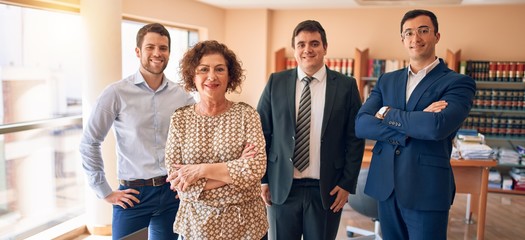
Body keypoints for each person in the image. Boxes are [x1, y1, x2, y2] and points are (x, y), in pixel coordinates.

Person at [354, 9, 476, 239]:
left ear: (436, 36)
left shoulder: (458, 83)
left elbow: (435, 127)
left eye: (423, 31)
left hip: (426, 188)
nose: (415, 38)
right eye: (408, 33)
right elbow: (362, 125)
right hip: (386, 186)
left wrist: (386, 112)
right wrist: (415, 121)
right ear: (402, 39)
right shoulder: (387, 80)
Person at [79, 23, 195, 240]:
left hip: (172, 193)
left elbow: (197, 138)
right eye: (150, 47)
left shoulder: (181, 96)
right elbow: (89, 142)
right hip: (133, 196)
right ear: (138, 51)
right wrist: (104, 190)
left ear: (169, 52)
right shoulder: (116, 93)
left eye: (163, 48)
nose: (157, 53)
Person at [257, 20, 365, 240]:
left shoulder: (346, 86)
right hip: (282, 188)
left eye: (314, 43)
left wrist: (346, 184)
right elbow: (261, 134)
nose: (308, 50)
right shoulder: (275, 82)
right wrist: (264, 179)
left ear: (325, 47)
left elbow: (354, 139)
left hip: (327, 189)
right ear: (295, 50)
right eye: (301, 44)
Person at [165, 40, 268, 239]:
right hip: (197, 227)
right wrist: (237, 167)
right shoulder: (180, 119)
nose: (211, 76)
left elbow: (255, 169)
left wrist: (199, 171)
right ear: (192, 76)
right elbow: (179, 182)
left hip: (246, 226)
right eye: (203, 69)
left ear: (230, 76)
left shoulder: (247, 115)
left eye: (219, 69)